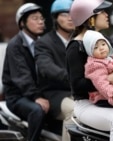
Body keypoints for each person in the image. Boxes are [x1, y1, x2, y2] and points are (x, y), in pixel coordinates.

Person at [67, 0, 113, 141]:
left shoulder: (105, 40)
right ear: (90, 18)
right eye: (102, 12)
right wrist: (108, 79)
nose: (107, 15)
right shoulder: (76, 46)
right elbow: (77, 85)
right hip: (87, 104)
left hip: (112, 98)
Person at [2, 3, 48, 141]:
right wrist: (36, 97)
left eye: (41, 18)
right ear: (22, 23)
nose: (40, 21)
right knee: (37, 111)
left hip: (39, 92)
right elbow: (22, 76)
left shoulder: (43, 43)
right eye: (35, 18)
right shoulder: (15, 45)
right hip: (17, 96)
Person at [34, 0, 74, 140]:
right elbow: (46, 68)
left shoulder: (80, 40)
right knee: (74, 111)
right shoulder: (44, 42)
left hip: (80, 91)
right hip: (56, 94)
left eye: (73, 14)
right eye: (65, 14)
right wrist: (73, 77)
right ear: (56, 18)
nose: (70, 17)